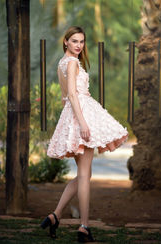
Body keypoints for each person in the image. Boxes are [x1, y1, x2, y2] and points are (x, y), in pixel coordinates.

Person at [40, 26, 128, 242]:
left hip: (74, 112)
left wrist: (72, 118)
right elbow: (71, 93)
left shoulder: (63, 62)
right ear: (66, 42)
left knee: (83, 175)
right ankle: (84, 227)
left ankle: (55, 215)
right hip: (81, 114)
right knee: (85, 176)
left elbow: (64, 97)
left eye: (82, 41)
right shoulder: (71, 63)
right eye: (75, 41)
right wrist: (82, 123)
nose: (79, 45)